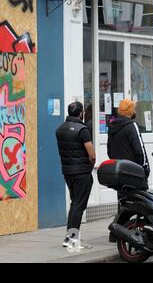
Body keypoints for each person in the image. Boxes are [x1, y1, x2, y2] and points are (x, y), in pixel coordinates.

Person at [56, 102, 96, 247]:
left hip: (67, 171)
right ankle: (72, 239)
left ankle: (69, 237)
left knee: (75, 204)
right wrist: (90, 166)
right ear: (81, 114)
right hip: (81, 172)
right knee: (79, 205)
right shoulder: (82, 129)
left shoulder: (60, 129)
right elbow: (91, 154)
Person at [107, 99, 150, 178]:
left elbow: (109, 151)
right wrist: (145, 169)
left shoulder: (112, 126)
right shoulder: (131, 126)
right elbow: (139, 151)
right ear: (131, 111)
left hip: (118, 172)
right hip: (133, 172)